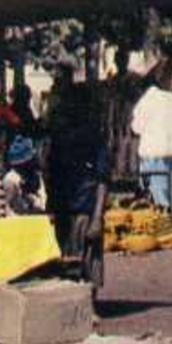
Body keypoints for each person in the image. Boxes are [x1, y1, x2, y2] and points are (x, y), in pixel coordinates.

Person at [45, 79, 109, 290]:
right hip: (64, 208)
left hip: (85, 209)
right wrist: (51, 206)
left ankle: (88, 305)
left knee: (88, 262)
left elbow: (102, 179)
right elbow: (51, 173)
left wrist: (97, 217)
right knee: (67, 262)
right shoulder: (59, 139)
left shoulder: (94, 138)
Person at [131, 78, 172, 210]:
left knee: (156, 188)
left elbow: (136, 127)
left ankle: (163, 214)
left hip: (152, 151)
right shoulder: (171, 97)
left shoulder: (144, 101)